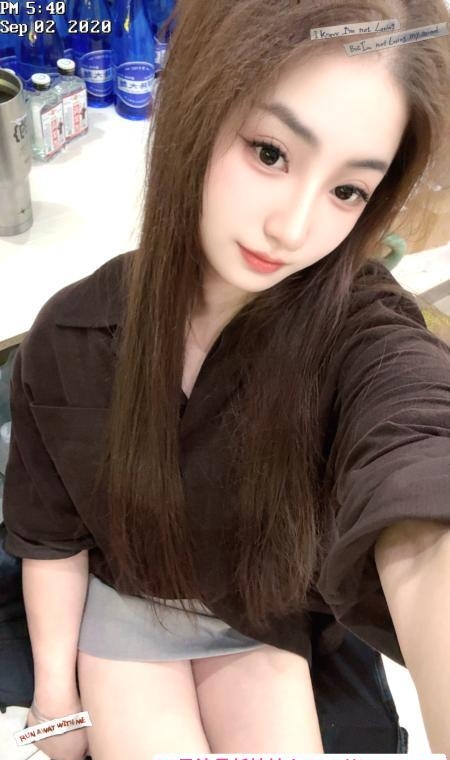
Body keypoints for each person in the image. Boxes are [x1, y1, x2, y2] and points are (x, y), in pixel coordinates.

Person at [3, 0, 450, 758]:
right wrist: (55, 699)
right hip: (127, 606)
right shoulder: (72, 338)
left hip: (261, 618)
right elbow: (49, 534)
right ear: (196, 107)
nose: (293, 228)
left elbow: (417, 443)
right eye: (271, 152)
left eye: (348, 190)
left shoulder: (355, 333)